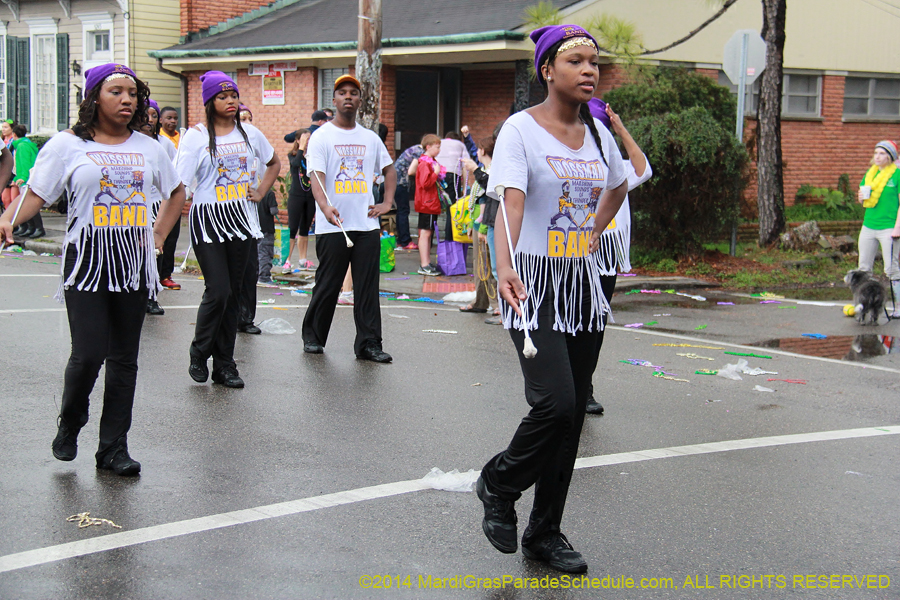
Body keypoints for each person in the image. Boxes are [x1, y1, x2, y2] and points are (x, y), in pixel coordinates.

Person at [476, 25, 628, 574]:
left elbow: (619, 184)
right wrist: (506, 265)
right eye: (576, 61)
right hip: (532, 284)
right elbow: (510, 203)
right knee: (556, 403)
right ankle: (499, 482)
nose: (589, 70)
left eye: (594, 62)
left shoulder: (598, 133)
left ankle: (545, 532)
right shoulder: (520, 129)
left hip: (582, 286)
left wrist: (594, 231)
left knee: (572, 415)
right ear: (547, 70)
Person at [0, 63, 186, 475]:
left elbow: (176, 192)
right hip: (86, 261)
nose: (126, 100)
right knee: (87, 355)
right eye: (116, 92)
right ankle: (71, 421)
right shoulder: (68, 144)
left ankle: (113, 449)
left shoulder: (150, 147)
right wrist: (8, 220)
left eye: (132, 93)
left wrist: (157, 235)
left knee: (124, 359)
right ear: (94, 98)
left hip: (133, 261)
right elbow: (38, 193)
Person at [176, 71, 281, 388]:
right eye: (222, 96)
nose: (230, 101)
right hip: (208, 221)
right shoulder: (195, 137)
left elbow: (273, 163)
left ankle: (225, 366)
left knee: (234, 293)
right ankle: (199, 351)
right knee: (218, 290)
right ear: (209, 101)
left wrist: (260, 192)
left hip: (242, 221)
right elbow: (180, 184)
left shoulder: (250, 133)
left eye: (234, 95)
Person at [301, 74, 396, 362]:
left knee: (367, 287)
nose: (348, 97)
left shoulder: (370, 138)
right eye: (342, 92)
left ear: (359, 100)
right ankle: (313, 337)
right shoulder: (322, 136)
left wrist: (387, 203)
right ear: (334, 99)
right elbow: (316, 175)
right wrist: (324, 207)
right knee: (328, 284)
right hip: (334, 226)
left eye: (353, 93)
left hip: (366, 224)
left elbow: (389, 170)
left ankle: (369, 344)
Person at [583, 98, 652, 416]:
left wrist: (620, 128)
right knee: (572, 321)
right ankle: (567, 385)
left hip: (605, 256)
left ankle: (584, 387)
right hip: (572, 252)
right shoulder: (573, 162)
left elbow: (644, 169)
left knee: (595, 325)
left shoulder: (617, 166)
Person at [139, 99, 180, 315]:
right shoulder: (128, 143)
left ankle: (151, 296)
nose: (150, 119)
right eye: (145, 115)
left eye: (154, 115)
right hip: (136, 207)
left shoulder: (163, 145)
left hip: (158, 204)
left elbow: (173, 176)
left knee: (156, 252)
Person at [857, 140, 900, 316]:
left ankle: (898, 305)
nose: (877, 156)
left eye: (882, 153)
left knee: (891, 268)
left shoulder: (897, 174)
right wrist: (861, 197)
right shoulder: (870, 173)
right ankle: (864, 303)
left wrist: (897, 227)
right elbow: (862, 198)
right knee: (863, 268)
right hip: (869, 225)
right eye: (875, 153)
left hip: (889, 227)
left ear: (890, 156)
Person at [460, 136, 496, 312]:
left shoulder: (491, 171)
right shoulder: (485, 169)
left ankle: (497, 305)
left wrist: (482, 227)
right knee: (481, 264)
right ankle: (481, 301)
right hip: (478, 223)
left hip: (485, 224)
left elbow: (487, 200)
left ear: (483, 151)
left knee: (490, 264)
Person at [409, 134, 444, 276]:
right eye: (437, 147)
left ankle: (427, 262)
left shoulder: (430, 161)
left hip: (430, 202)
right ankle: (424, 264)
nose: (439, 150)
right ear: (428, 147)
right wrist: (435, 173)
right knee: (425, 233)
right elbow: (425, 183)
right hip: (427, 203)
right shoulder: (425, 163)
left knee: (428, 233)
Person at [282, 128, 316, 272]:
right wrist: (301, 148)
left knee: (305, 228)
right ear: (297, 140)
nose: (308, 142)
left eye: (309, 139)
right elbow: (295, 165)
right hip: (296, 195)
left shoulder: (312, 156)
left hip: (310, 195)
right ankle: (287, 260)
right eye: (305, 139)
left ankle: (303, 259)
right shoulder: (293, 155)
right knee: (293, 228)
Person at [10, 125, 43, 238]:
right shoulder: (26, 144)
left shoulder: (22, 146)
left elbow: (24, 163)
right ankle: (30, 227)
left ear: (14, 134)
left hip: (26, 179)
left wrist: (22, 177)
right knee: (25, 204)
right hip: (28, 178)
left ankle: (37, 228)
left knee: (27, 204)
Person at [436, 130, 468, 240]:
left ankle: (429, 239)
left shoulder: (439, 143)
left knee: (434, 207)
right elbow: (465, 166)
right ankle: (449, 239)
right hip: (452, 176)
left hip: (437, 175)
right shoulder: (460, 145)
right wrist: (464, 186)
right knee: (452, 208)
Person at [393, 142, 424, 250]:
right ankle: (405, 241)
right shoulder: (420, 152)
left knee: (401, 211)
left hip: (395, 181)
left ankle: (401, 240)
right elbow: (411, 171)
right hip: (401, 183)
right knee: (403, 211)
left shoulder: (415, 149)